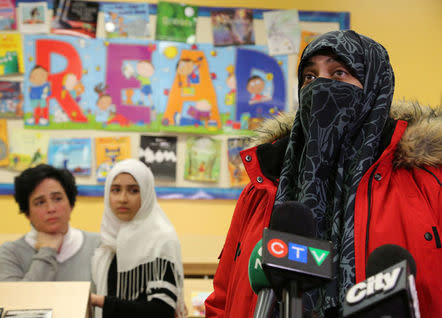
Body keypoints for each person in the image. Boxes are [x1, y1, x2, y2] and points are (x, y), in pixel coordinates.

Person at [205, 30, 441, 317]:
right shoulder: (263, 184)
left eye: (339, 72)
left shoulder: (426, 183)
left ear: (373, 88)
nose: (320, 86)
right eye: (310, 77)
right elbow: (222, 300)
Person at [90, 159, 186, 318]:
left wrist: (101, 302)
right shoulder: (106, 243)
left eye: (133, 190)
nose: (123, 198)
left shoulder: (161, 239)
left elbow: (162, 310)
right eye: (115, 190)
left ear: (147, 194)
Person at [0, 164, 100, 282]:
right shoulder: (10, 253)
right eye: (40, 202)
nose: (51, 208)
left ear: (71, 204)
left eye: (57, 199)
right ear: (27, 213)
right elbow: (17, 300)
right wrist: (47, 251)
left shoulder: (97, 245)